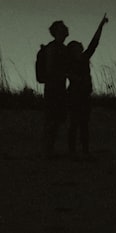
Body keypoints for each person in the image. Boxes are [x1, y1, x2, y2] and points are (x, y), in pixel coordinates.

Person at [66, 14, 108, 158]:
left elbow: (94, 43)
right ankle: (73, 151)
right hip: (74, 96)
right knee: (74, 124)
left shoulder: (84, 58)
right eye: (77, 47)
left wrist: (100, 26)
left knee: (83, 124)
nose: (80, 48)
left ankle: (84, 150)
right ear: (72, 51)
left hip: (84, 96)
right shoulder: (70, 63)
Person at [40, 20, 69, 158]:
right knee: (52, 120)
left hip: (58, 88)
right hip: (54, 88)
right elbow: (50, 69)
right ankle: (47, 150)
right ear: (58, 31)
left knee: (55, 120)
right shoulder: (53, 48)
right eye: (63, 28)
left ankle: (49, 150)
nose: (66, 29)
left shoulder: (61, 48)